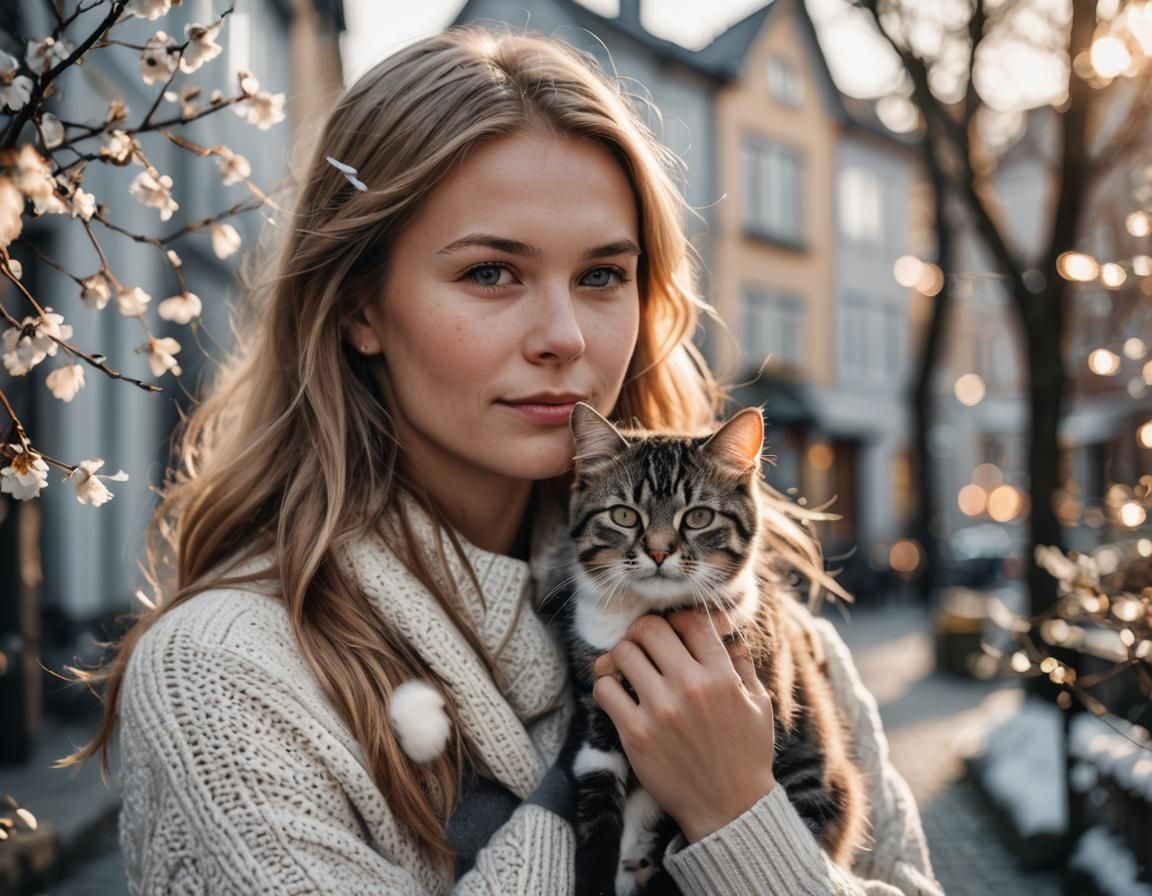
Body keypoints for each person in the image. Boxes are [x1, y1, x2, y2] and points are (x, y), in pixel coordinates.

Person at [67, 27, 944, 895]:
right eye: (492, 273)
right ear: (359, 307)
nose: (564, 338)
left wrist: (739, 812)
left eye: (603, 276)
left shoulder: (762, 629)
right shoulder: (230, 678)